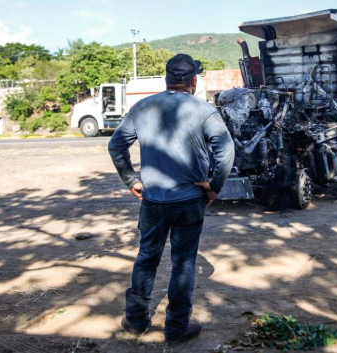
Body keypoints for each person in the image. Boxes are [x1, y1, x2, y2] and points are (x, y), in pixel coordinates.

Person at [108, 53, 235, 343]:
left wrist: (132, 180)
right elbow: (225, 151)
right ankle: (176, 327)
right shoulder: (204, 110)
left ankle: (137, 320)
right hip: (189, 200)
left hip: (152, 200)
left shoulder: (142, 108)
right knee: (184, 262)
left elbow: (116, 146)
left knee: (147, 257)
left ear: (167, 79)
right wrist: (214, 186)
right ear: (193, 81)